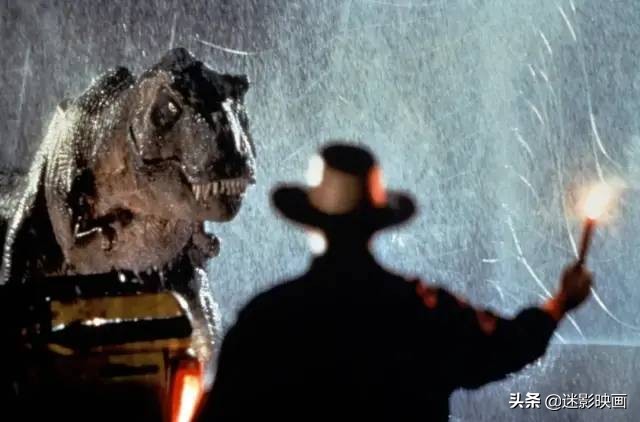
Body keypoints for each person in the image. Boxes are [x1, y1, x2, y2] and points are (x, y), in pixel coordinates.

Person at [199, 143, 592, 421]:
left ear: (311, 225)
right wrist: (560, 303)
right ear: (376, 225)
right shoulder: (422, 312)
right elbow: (506, 346)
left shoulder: (266, 319)